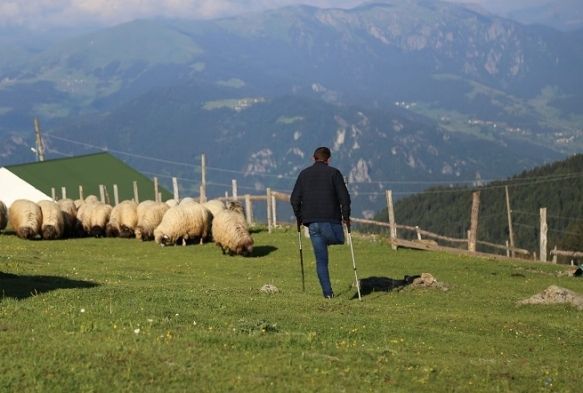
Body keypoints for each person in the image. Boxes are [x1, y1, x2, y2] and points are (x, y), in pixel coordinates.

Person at [290, 146, 351, 298]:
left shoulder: (304, 174)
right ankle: (328, 293)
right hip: (330, 220)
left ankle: (327, 294)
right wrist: (346, 217)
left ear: (313, 158)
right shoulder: (334, 173)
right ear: (328, 159)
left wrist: (299, 217)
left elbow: (294, 199)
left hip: (312, 224)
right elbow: (345, 198)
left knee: (321, 261)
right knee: (340, 239)